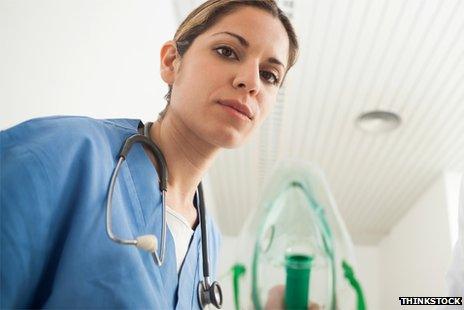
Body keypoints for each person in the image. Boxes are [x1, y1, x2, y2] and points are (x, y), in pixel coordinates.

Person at [0, 0, 299, 308]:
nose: (250, 82)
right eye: (227, 51)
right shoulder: (66, 152)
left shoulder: (209, 241)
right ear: (171, 62)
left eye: (269, 75)